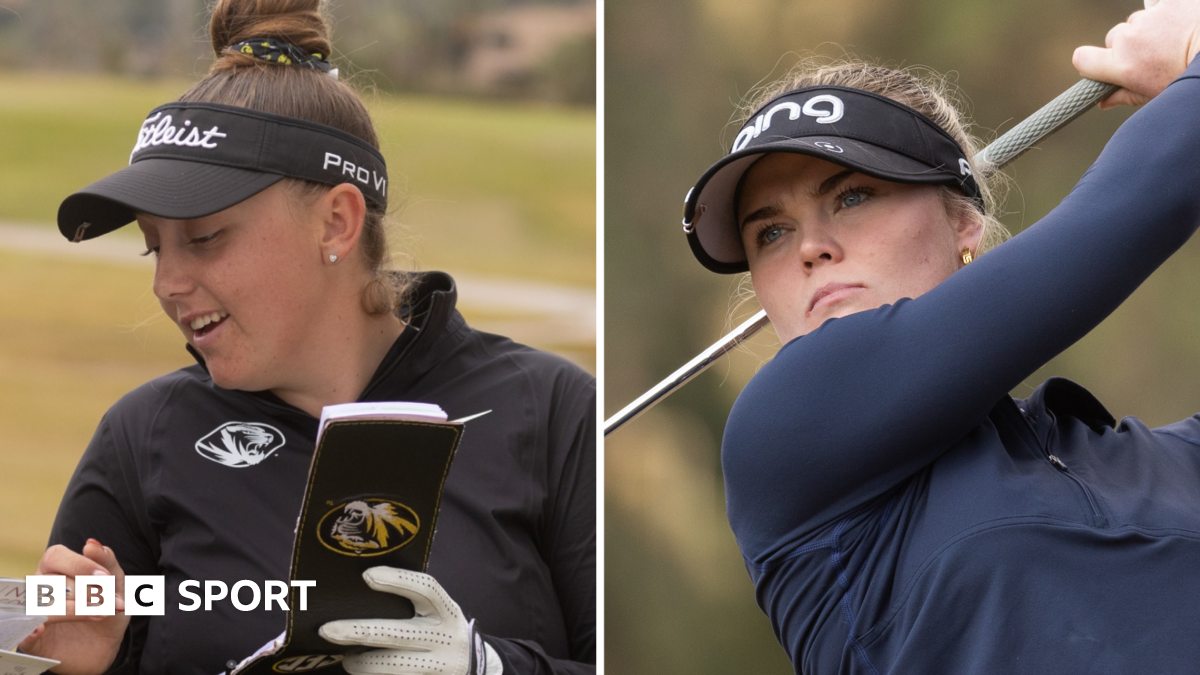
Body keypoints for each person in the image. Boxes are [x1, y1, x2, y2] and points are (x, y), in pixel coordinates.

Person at [17, 2, 595, 675]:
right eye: (153, 249)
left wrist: (487, 667)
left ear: (337, 223)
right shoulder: (139, 439)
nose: (168, 283)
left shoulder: (552, 410)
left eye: (204, 239)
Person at [680, 1, 1200, 672]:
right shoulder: (783, 431)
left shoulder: (1165, 462)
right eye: (770, 232)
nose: (810, 246)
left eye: (852, 196)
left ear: (963, 224)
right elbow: (1132, 207)